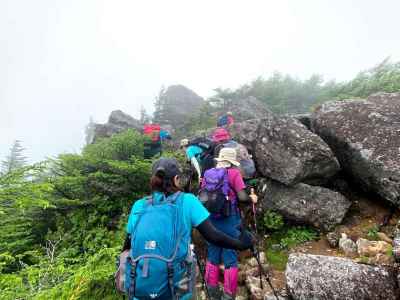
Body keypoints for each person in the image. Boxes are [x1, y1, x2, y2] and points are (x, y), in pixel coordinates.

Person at [122, 158, 254, 300]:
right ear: (176, 179)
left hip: (140, 286)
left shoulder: (139, 205)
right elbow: (213, 236)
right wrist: (240, 244)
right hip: (177, 288)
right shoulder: (188, 201)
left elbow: (127, 245)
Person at [202, 148, 258, 300]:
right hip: (229, 220)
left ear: (220, 159)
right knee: (230, 258)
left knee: (213, 256)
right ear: (232, 161)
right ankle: (228, 295)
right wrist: (252, 198)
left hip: (210, 221)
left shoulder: (208, 173)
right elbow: (241, 197)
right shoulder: (234, 174)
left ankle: (212, 292)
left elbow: (204, 195)